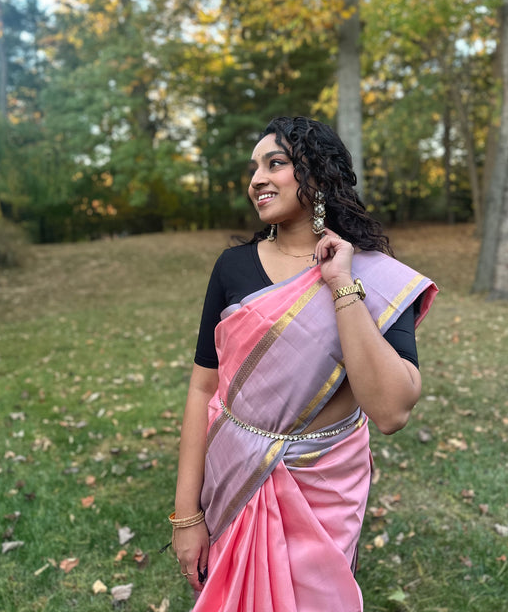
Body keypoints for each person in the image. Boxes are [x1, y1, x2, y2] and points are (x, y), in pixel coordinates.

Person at [170, 116, 437, 612]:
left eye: (276, 163)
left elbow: (391, 412)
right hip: (232, 476)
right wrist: (187, 516)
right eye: (254, 168)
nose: (257, 179)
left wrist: (341, 285)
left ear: (316, 173)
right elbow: (202, 390)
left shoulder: (375, 276)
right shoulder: (233, 267)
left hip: (324, 488)